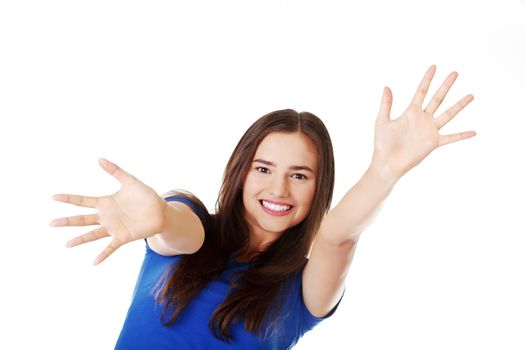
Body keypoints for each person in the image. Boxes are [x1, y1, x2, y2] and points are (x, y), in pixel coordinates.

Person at [50, 65, 476, 349]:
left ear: (318, 188)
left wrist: (385, 169)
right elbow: (179, 229)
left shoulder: (302, 291)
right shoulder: (191, 224)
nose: (279, 189)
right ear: (242, 171)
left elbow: (337, 236)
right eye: (264, 168)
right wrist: (158, 217)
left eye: (299, 175)